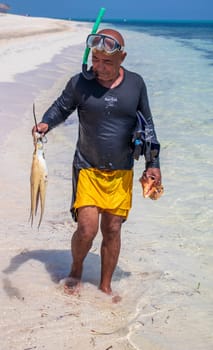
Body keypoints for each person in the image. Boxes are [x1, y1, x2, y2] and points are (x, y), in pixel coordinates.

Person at [32, 28, 162, 296]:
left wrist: (153, 164)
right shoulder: (80, 83)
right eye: (96, 60)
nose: (100, 67)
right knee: (86, 229)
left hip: (122, 170)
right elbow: (60, 108)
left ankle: (105, 286)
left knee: (113, 229)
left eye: (107, 62)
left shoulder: (136, 84)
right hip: (87, 167)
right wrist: (46, 122)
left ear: (122, 58)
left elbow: (147, 124)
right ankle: (76, 270)